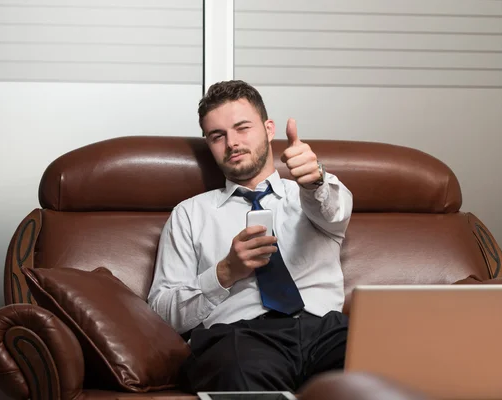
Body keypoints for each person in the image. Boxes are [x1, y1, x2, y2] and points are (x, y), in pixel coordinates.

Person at [147, 80, 353, 393]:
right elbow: (162, 313)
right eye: (218, 136)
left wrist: (315, 180)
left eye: (242, 128)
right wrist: (224, 272)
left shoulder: (313, 192)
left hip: (326, 331)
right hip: (240, 337)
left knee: (382, 356)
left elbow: (332, 210)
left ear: (269, 129)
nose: (232, 143)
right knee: (238, 366)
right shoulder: (189, 214)